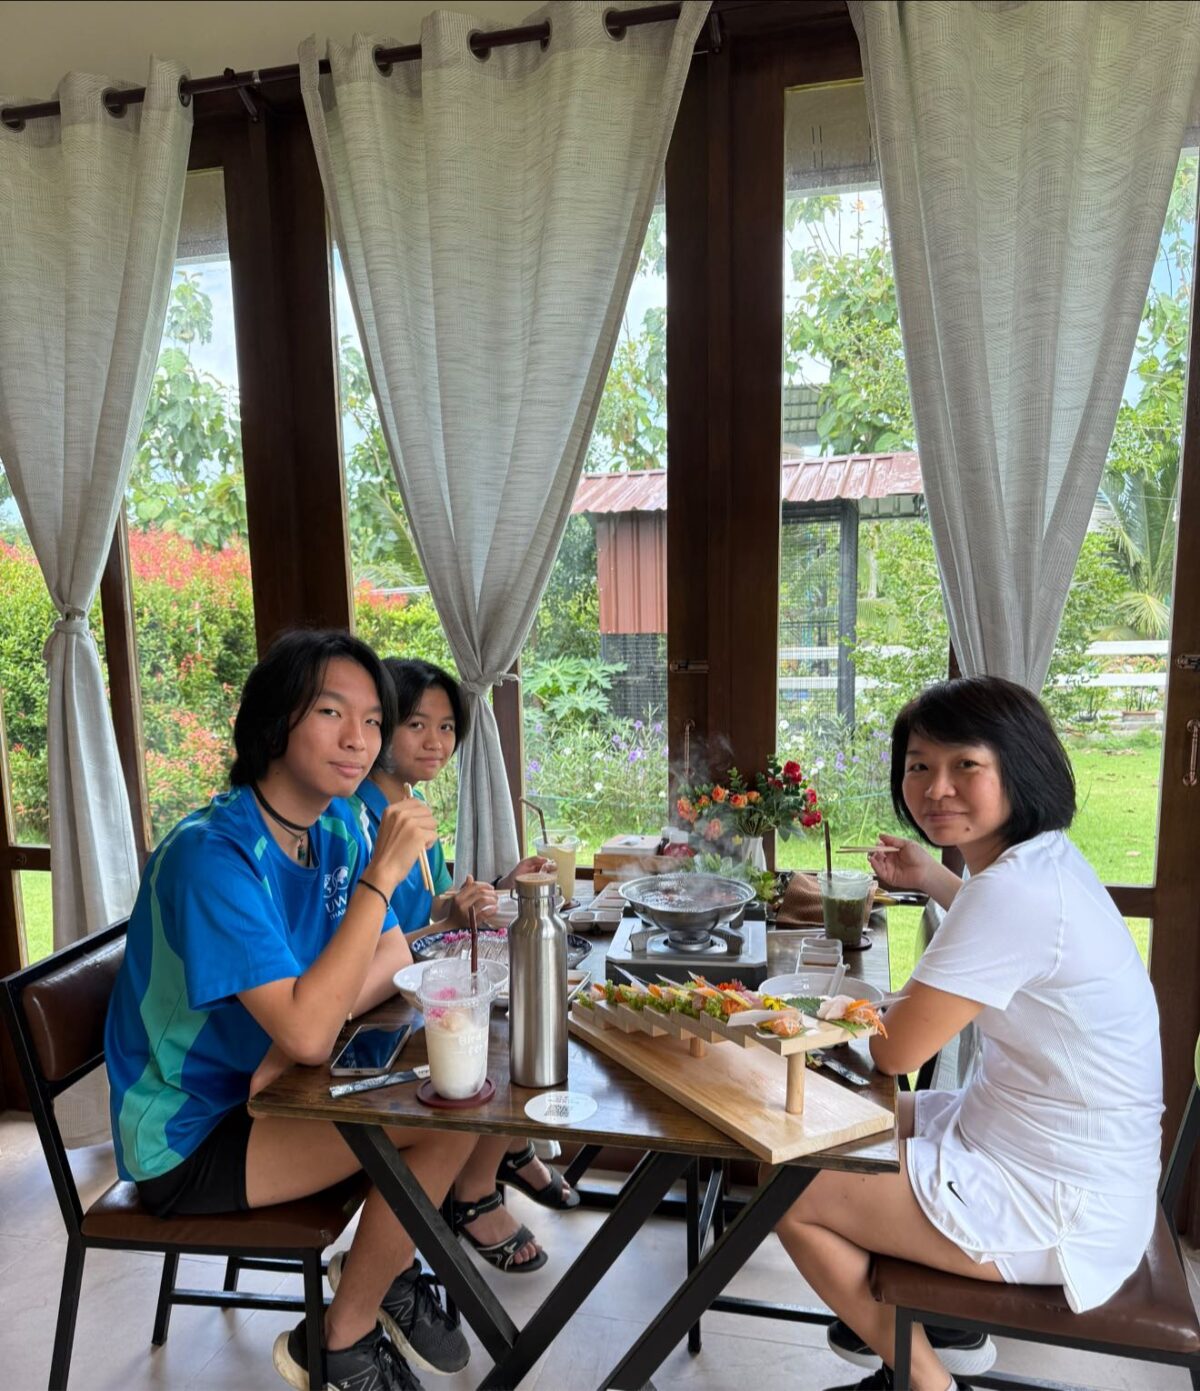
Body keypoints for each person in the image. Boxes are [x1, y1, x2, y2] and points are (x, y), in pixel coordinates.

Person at [105, 630, 478, 1391]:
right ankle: (342, 1339)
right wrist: (378, 884)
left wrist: (308, 1026)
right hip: (190, 1132)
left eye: (372, 720)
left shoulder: (333, 825)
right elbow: (315, 1020)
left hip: (276, 1087)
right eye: (332, 712)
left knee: (461, 1101)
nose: (359, 739)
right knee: (447, 1118)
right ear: (275, 722)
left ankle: (379, 1278)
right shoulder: (211, 855)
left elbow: (392, 958)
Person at [774, 676, 1164, 1391]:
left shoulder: (1015, 891)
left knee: (792, 1186)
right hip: (1045, 1146)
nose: (936, 787)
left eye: (965, 765)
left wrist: (832, 1010)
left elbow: (894, 1051)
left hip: (1057, 1196)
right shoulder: (1041, 863)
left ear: (1020, 767)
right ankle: (926, 1317)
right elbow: (1009, 944)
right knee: (828, 1119)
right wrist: (933, 878)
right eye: (919, 765)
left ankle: (927, 1380)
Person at [349, 657, 581, 1275]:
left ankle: (505, 1150)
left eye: (447, 727)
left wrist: (493, 889)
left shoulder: (411, 805)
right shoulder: (357, 819)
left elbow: (430, 908)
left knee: (518, 1014)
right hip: (380, 1012)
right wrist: (446, 922)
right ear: (381, 728)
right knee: (497, 1042)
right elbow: (372, 942)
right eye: (416, 725)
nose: (436, 741)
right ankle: (473, 1194)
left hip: (416, 988)